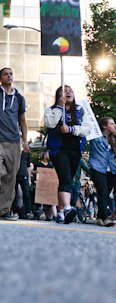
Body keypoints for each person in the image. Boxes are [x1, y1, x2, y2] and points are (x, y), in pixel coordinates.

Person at [0, 68, 28, 221]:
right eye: (5, 74)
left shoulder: (19, 98)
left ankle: (4, 210)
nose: (9, 76)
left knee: (10, 177)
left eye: (11, 74)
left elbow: (22, 121)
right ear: (0, 78)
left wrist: (25, 141)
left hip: (14, 142)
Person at [44, 86, 91, 224]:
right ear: (58, 95)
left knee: (67, 180)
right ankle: (68, 208)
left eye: (70, 90)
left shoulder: (80, 111)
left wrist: (71, 129)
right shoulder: (51, 110)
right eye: (64, 91)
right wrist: (59, 107)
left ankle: (60, 211)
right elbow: (50, 123)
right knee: (65, 178)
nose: (68, 93)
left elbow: (86, 129)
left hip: (75, 150)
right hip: (58, 150)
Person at [88, 117, 116, 227]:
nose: (114, 125)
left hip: (111, 170)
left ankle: (100, 217)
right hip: (97, 168)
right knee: (103, 192)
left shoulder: (113, 139)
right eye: (112, 124)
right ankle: (104, 218)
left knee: (105, 194)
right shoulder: (96, 136)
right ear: (104, 126)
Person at [11, 141, 33, 220]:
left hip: (24, 174)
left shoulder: (26, 153)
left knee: (26, 194)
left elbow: (28, 166)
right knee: (15, 194)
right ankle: (15, 211)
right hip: (15, 175)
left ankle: (28, 211)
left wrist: (29, 178)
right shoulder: (14, 152)